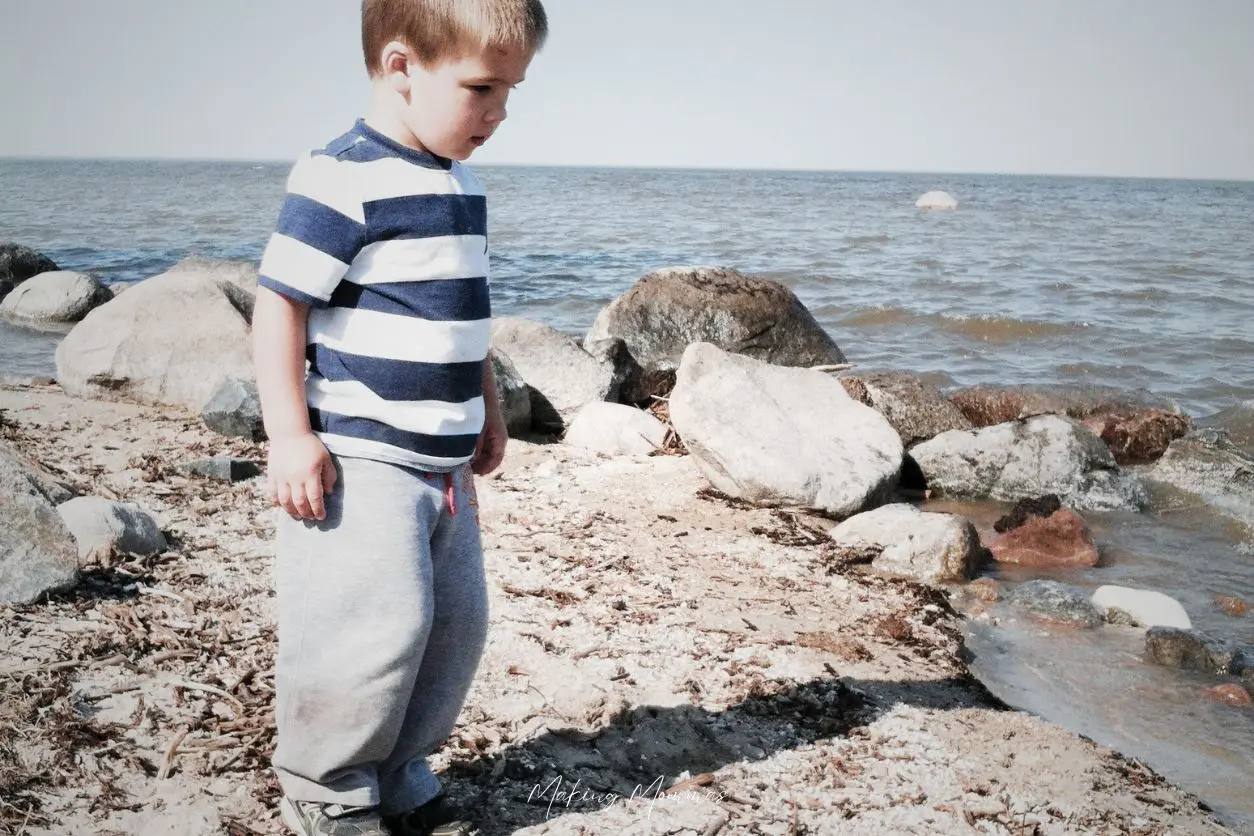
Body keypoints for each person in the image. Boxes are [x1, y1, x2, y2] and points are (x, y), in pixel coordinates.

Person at [251, 1, 547, 833]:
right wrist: (290, 436)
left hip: (446, 464)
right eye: (482, 87)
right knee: (371, 628)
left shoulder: (461, 182)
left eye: (511, 91)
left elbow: (462, 313)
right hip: (361, 455)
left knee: (454, 626)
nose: (499, 113)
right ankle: (329, 786)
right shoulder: (341, 175)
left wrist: (486, 407)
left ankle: (400, 767)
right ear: (401, 67)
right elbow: (279, 307)